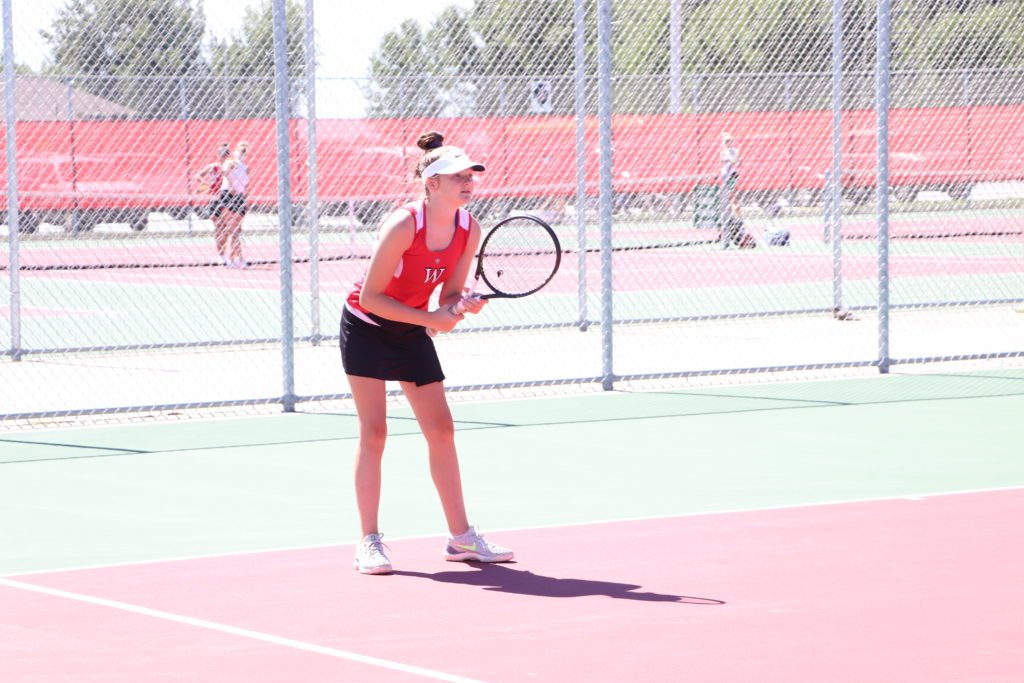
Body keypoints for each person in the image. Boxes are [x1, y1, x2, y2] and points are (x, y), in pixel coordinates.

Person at [340, 130, 514, 575]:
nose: (468, 181)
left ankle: (461, 539)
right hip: (366, 327)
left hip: (411, 327)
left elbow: (451, 294)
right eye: (457, 176)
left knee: (441, 430)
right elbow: (371, 297)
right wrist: (432, 319)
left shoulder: (467, 228)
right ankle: (369, 542)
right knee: (374, 432)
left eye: (471, 175)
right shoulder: (403, 224)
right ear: (432, 184)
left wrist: (458, 306)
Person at [195, 143, 232, 264]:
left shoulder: (230, 166)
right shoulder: (213, 167)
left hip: (227, 197)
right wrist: (206, 184)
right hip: (214, 199)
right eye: (221, 154)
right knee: (218, 226)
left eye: (225, 154)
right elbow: (198, 175)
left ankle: (225, 251)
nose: (223, 157)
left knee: (225, 227)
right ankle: (220, 254)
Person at [219, 141, 250, 269]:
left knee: (237, 229)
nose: (242, 154)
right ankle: (232, 258)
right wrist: (231, 186)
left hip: (240, 197)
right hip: (228, 195)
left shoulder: (246, 167)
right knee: (232, 228)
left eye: (244, 152)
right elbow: (225, 172)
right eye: (240, 151)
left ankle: (235, 258)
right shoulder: (230, 162)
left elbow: (247, 184)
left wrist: (245, 196)